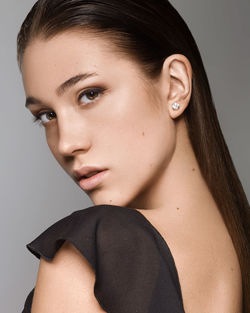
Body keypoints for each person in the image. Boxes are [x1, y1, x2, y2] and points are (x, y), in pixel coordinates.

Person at [17, 0, 249, 312]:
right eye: (46, 115)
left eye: (90, 94)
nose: (66, 144)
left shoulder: (90, 255)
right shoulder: (235, 255)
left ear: (175, 86)